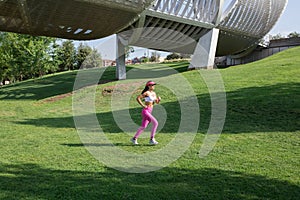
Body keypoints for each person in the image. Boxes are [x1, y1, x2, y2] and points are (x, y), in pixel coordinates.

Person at [131, 81, 161, 145]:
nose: (153, 86)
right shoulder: (146, 93)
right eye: (152, 85)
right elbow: (138, 98)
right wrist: (143, 105)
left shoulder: (154, 93)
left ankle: (134, 138)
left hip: (150, 110)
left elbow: (156, 102)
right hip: (146, 111)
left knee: (144, 126)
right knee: (156, 123)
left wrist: (159, 100)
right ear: (148, 86)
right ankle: (152, 139)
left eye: (153, 85)